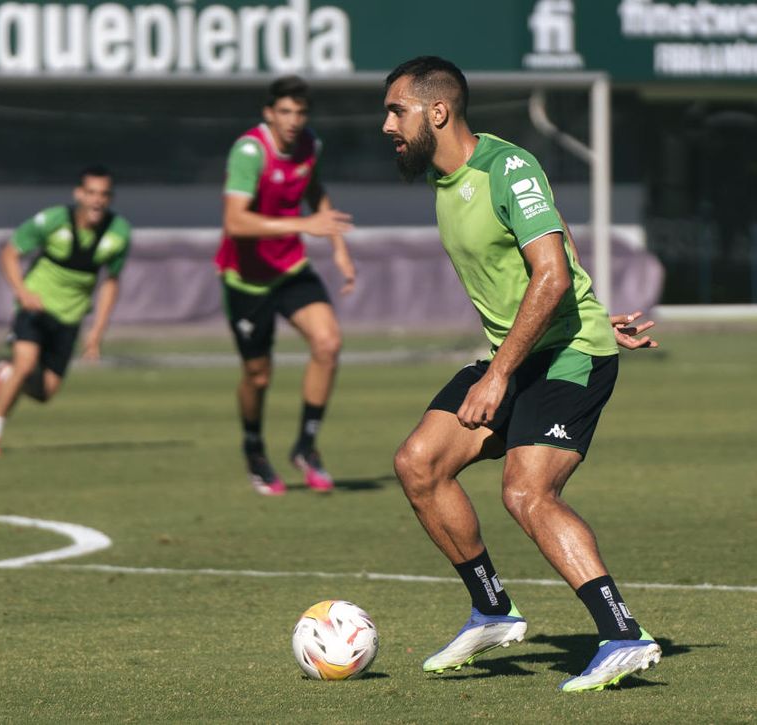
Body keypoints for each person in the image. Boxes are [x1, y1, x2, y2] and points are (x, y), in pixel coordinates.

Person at [382, 56, 661, 692]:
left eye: (397, 110)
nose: (387, 125)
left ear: (438, 112)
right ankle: (492, 611)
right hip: (521, 352)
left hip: (567, 356)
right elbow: (556, 244)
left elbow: (552, 273)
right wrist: (588, 305)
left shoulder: (507, 167)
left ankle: (623, 635)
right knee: (418, 464)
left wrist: (502, 372)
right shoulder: (444, 179)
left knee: (526, 493)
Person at [216, 75, 357, 496]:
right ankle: (254, 448)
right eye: (285, 112)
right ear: (269, 113)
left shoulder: (310, 145)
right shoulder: (250, 152)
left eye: (300, 112)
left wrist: (339, 248)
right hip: (246, 279)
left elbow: (315, 190)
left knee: (328, 343)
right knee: (258, 375)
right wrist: (302, 225)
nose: (293, 120)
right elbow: (235, 222)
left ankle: (306, 447)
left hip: (290, 268)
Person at [0, 165, 130, 457]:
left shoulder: (119, 233)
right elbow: (9, 253)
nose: (97, 200)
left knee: (45, 393)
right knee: (25, 364)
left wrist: (97, 331)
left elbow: (111, 282)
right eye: (91, 193)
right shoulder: (53, 221)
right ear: (79, 194)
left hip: (70, 318)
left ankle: (5, 374)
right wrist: (22, 292)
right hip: (35, 308)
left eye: (104, 194)